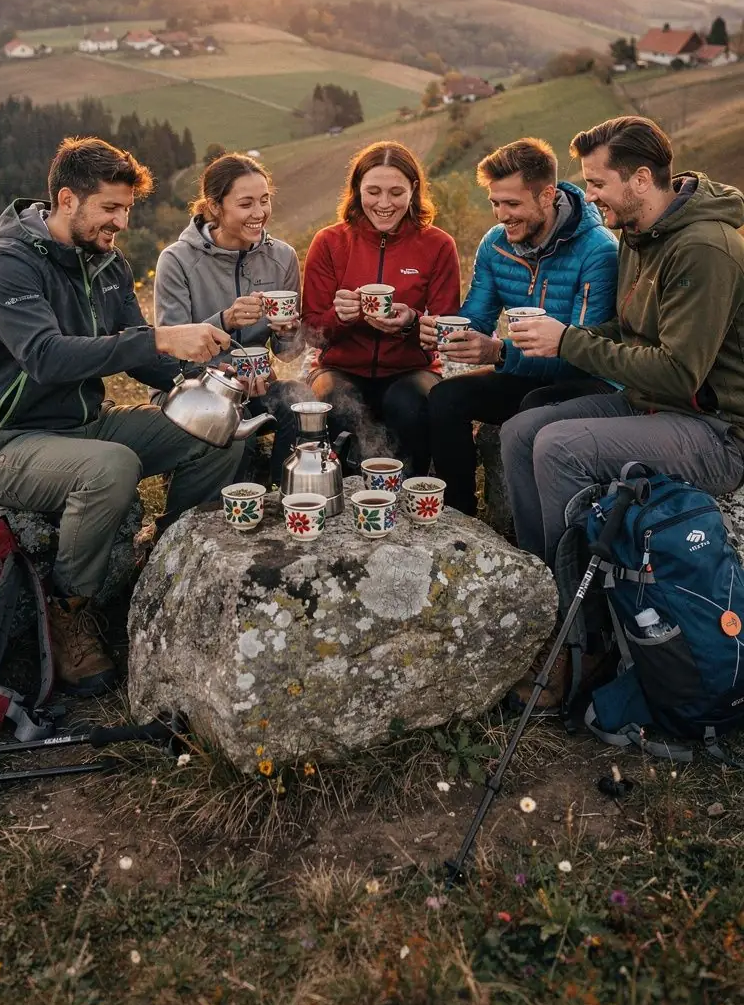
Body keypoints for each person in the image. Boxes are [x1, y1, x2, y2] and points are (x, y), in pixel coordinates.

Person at [0, 137, 244, 697]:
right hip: (6, 442)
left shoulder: (107, 261)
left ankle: (167, 563)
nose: (121, 222)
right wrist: (159, 338)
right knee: (111, 466)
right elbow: (46, 357)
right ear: (67, 199)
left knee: (217, 433)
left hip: (85, 424)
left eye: (126, 209)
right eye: (110, 208)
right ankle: (68, 611)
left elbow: (147, 359)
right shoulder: (5, 264)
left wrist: (217, 381)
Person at [501, 117, 744, 706]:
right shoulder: (642, 232)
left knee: (561, 446)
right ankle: (549, 607)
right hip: (655, 408)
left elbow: (679, 371)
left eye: (596, 183)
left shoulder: (705, 249)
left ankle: (583, 644)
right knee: (520, 430)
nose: (587, 197)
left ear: (640, 179)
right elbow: (633, 332)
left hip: (714, 432)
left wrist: (570, 343)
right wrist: (563, 334)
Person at [423, 137, 618, 514]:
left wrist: (498, 352)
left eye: (512, 204)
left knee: (533, 405)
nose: (501, 215)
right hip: (526, 370)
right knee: (445, 398)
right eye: (495, 203)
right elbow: (477, 317)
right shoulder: (496, 244)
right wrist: (435, 330)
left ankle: (545, 529)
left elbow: (582, 353)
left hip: (587, 380)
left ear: (547, 195)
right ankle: (461, 516)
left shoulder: (598, 250)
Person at [301, 140, 461, 474]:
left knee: (408, 405)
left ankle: (414, 496)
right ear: (357, 189)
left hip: (412, 370)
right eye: (373, 191)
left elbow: (445, 331)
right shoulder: (329, 242)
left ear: (413, 190)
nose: (384, 204)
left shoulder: (438, 245)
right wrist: (340, 317)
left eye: (396, 192)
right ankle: (334, 497)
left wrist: (410, 323)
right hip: (338, 368)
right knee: (335, 406)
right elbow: (312, 332)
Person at [155, 152, 305, 483]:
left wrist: (288, 332)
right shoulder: (177, 261)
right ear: (214, 205)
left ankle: (287, 499)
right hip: (193, 388)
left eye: (264, 201)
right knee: (234, 433)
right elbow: (169, 351)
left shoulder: (282, 258)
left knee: (302, 405)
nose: (259, 213)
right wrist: (225, 320)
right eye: (246, 204)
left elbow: (288, 353)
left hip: (255, 384)